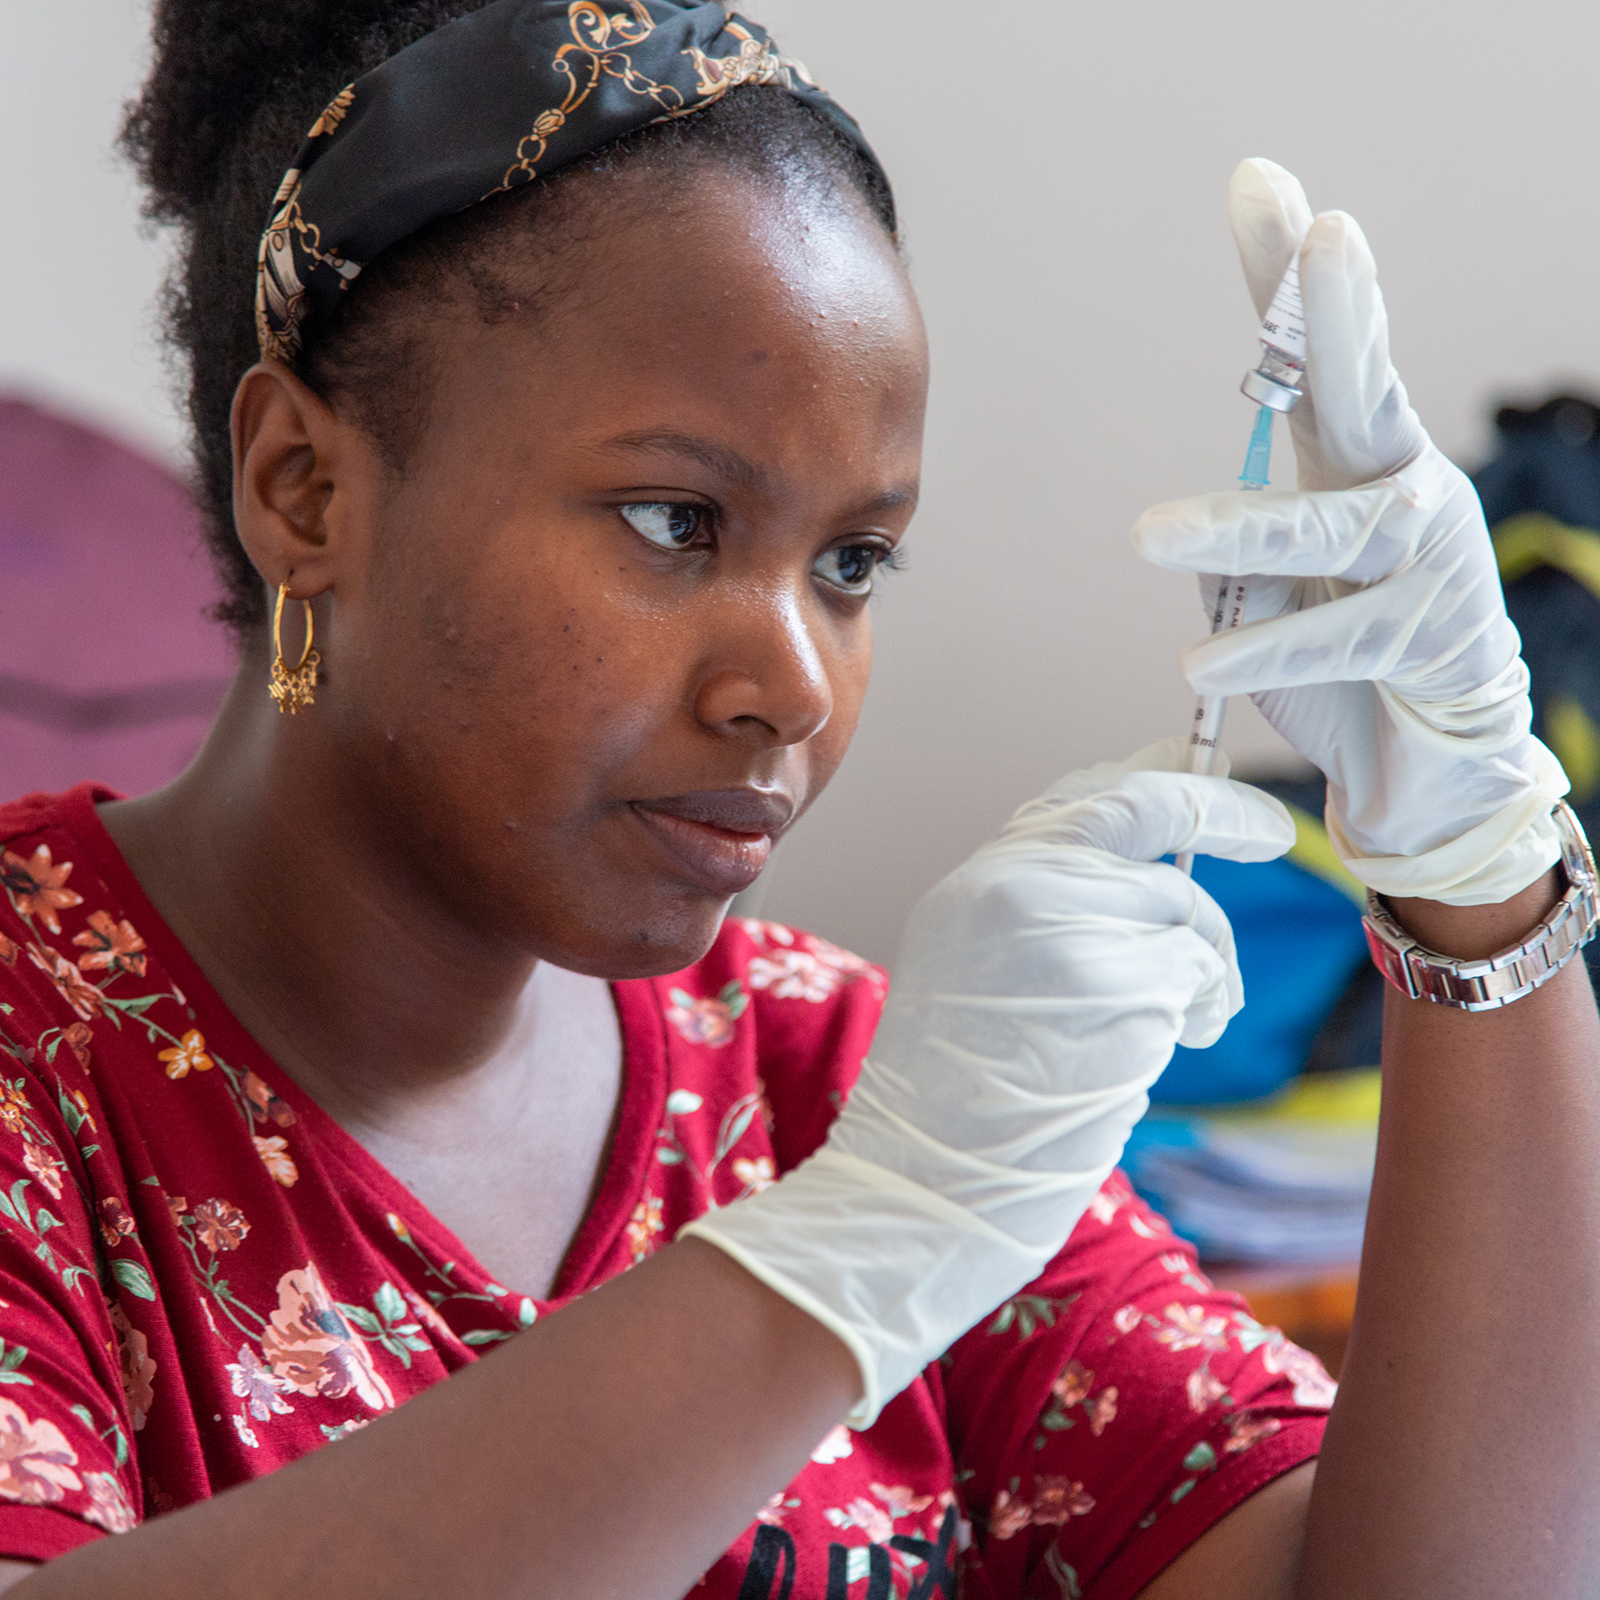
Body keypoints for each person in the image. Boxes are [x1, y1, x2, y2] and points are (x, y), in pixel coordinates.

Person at [0, 3, 1595, 1596]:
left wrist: (1479, 887)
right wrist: (851, 1259)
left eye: (851, 563)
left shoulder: (834, 1083)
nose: (796, 684)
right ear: (308, 491)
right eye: (673, 520)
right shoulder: (41, 1069)